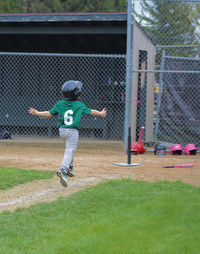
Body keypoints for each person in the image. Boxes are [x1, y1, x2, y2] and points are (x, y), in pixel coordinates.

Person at [28, 80, 107, 187]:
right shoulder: (79, 105)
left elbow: (49, 113)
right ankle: (64, 170)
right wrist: (101, 114)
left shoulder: (60, 103)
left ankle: (70, 168)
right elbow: (91, 111)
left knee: (70, 148)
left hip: (61, 131)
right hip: (72, 131)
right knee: (70, 150)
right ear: (77, 94)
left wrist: (37, 113)